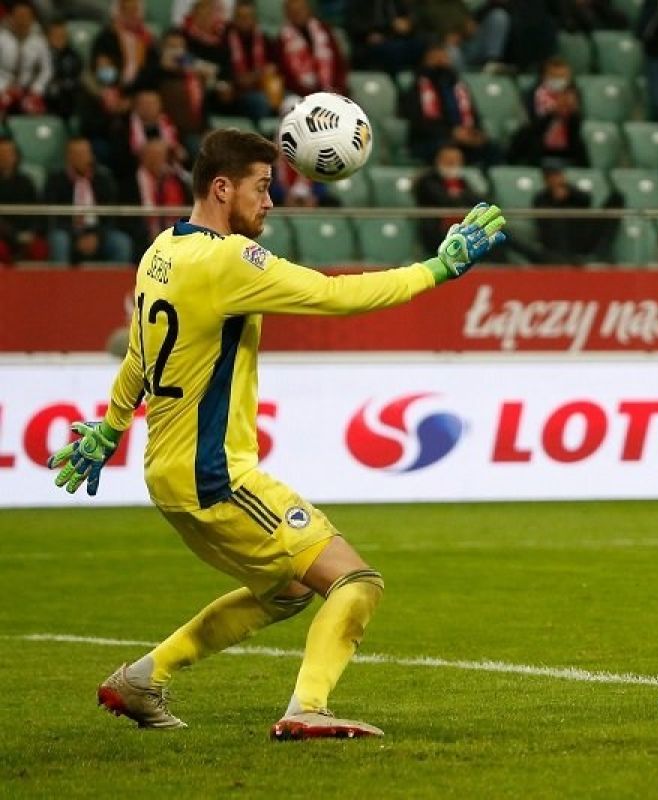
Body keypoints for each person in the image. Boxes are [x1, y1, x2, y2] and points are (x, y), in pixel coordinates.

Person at [46, 127, 507, 739]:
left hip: (169, 472)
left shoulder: (160, 251)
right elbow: (336, 295)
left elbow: (137, 354)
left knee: (287, 591)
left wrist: (109, 429)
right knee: (356, 581)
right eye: (261, 187)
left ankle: (143, 678)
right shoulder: (228, 259)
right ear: (221, 187)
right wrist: (436, 268)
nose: (270, 202)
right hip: (215, 475)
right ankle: (306, 710)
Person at [44, 137, 132, 264]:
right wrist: (76, 236)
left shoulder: (104, 180)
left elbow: (112, 215)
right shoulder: (55, 181)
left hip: (99, 232)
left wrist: (97, 237)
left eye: (84, 153)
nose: (80, 158)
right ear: (68, 157)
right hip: (67, 232)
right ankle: (60, 282)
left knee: (121, 242)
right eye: (76, 154)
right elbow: (52, 217)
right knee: (59, 240)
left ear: (91, 156)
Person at [415, 143, 486, 252]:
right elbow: (444, 200)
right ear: (438, 160)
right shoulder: (427, 180)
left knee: (498, 232)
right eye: (449, 160)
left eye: (456, 160)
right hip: (438, 229)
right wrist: (460, 196)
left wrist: (460, 195)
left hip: (465, 225)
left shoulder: (461, 181)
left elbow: (478, 201)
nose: (453, 164)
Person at [278, 0, 349, 97]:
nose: (298, 14)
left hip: (332, 90)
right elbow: (285, 75)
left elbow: (339, 62)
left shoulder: (324, 31)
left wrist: (337, 87)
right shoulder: (282, 39)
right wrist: (309, 94)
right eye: (293, 12)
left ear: (309, 10)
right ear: (287, 14)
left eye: (301, 10)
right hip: (299, 94)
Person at [0, 136, 47, 264]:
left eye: (8, 153)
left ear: (16, 156)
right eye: (1, 153)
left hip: (26, 233)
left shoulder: (26, 182)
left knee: (39, 249)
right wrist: (14, 235)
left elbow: (37, 211)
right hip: (4, 235)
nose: (4, 157)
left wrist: (31, 232)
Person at [44, 17, 84, 120]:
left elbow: (77, 79)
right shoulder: (41, 54)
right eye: (56, 36)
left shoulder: (73, 56)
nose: (59, 39)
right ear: (48, 37)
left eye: (62, 36)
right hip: (45, 95)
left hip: (67, 98)